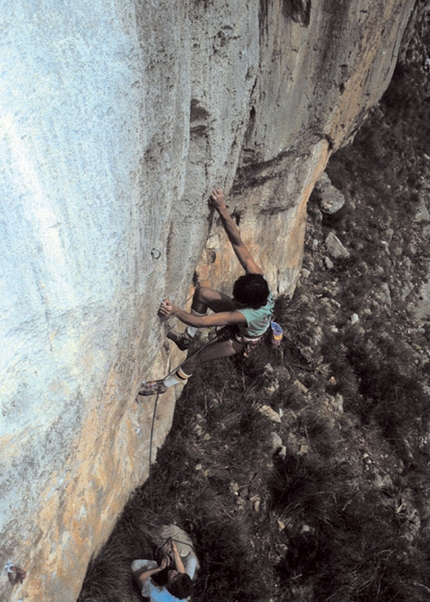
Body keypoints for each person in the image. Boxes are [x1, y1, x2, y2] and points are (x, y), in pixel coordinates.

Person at [139, 187, 274, 397]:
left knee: (197, 358)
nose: (234, 302)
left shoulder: (246, 313)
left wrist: (174, 310)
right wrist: (221, 208)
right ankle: (186, 339)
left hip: (241, 340)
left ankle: (163, 385)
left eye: (238, 302)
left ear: (247, 305)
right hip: (246, 322)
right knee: (202, 293)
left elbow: (202, 322)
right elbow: (238, 242)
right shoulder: (257, 280)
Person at [131, 527, 197, 601]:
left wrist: (159, 568)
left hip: (159, 594)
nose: (174, 571)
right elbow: (182, 574)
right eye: (178, 573)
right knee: (191, 560)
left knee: (135, 564)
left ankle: (159, 569)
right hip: (180, 594)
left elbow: (142, 577)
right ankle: (168, 566)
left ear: (170, 586)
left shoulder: (158, 595)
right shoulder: (181, 591)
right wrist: (175, 553)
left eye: (174, 576)